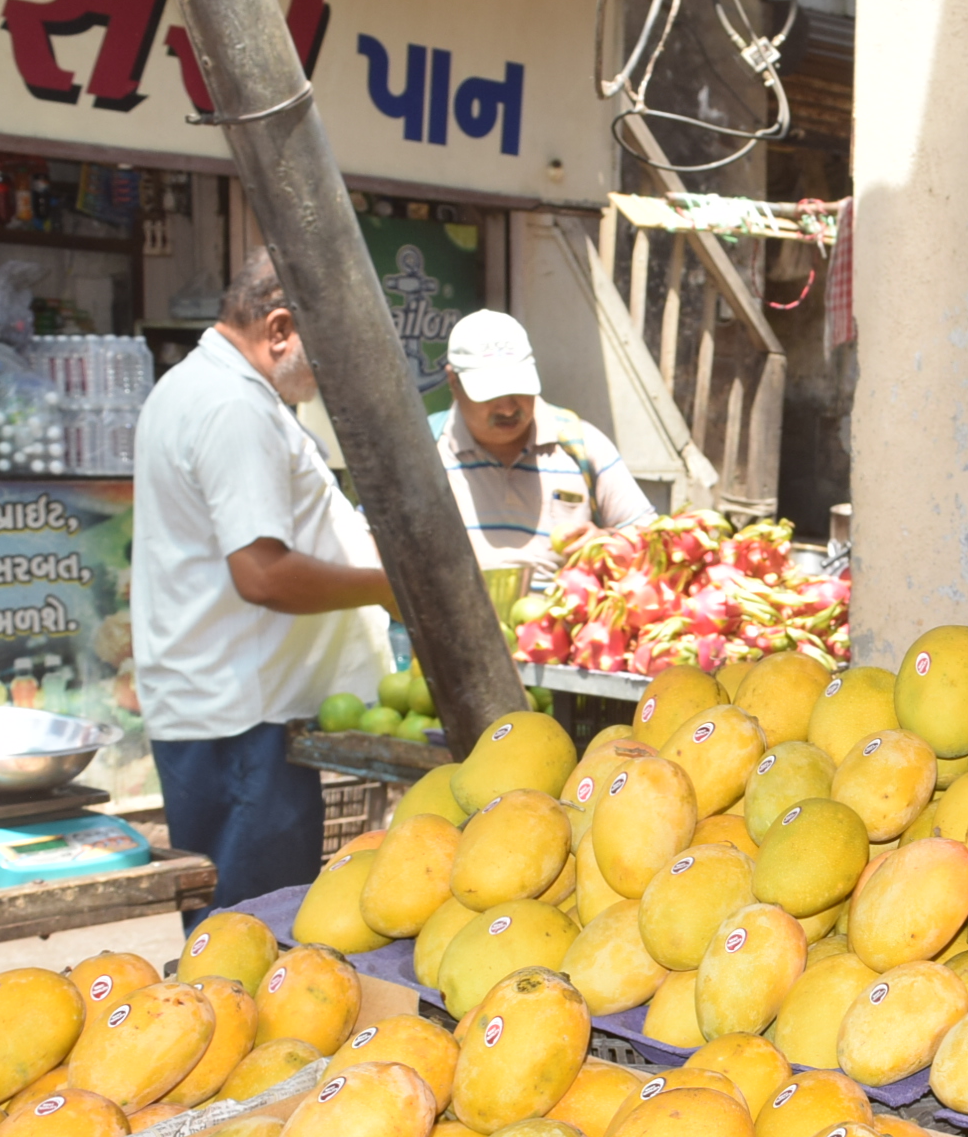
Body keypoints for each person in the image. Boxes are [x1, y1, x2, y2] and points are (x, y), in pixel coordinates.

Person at [132, 247, 390, 908]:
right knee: (253, 934)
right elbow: (263, 576)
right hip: (240, 722)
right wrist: (390, 588)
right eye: (324, 345)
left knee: (242, 930)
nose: (331, 369)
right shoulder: (233, 409)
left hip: (236, 711)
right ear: (278, 329)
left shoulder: (204, 388)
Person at [432, 308, 654, 572]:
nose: (507, 409)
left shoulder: (582, 444)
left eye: (517, 388)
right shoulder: (422, 449)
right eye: (489, 393)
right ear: (453, 381)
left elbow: (651, 538)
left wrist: (605, 543)